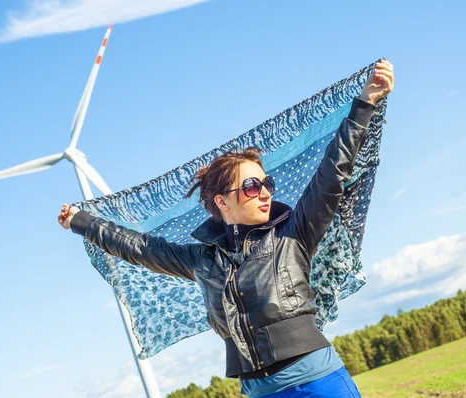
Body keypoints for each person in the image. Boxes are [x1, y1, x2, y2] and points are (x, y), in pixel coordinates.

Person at [58, 59, 394, 398]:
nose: (264, 193)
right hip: (259, 392)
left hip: (319, 382)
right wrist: (82, 222)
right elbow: (140, 247)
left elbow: (332, 173)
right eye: (251, 186)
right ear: (222, 201)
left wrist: (365, 103)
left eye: (267, 184)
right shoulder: (202, 260)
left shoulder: (293, 234)